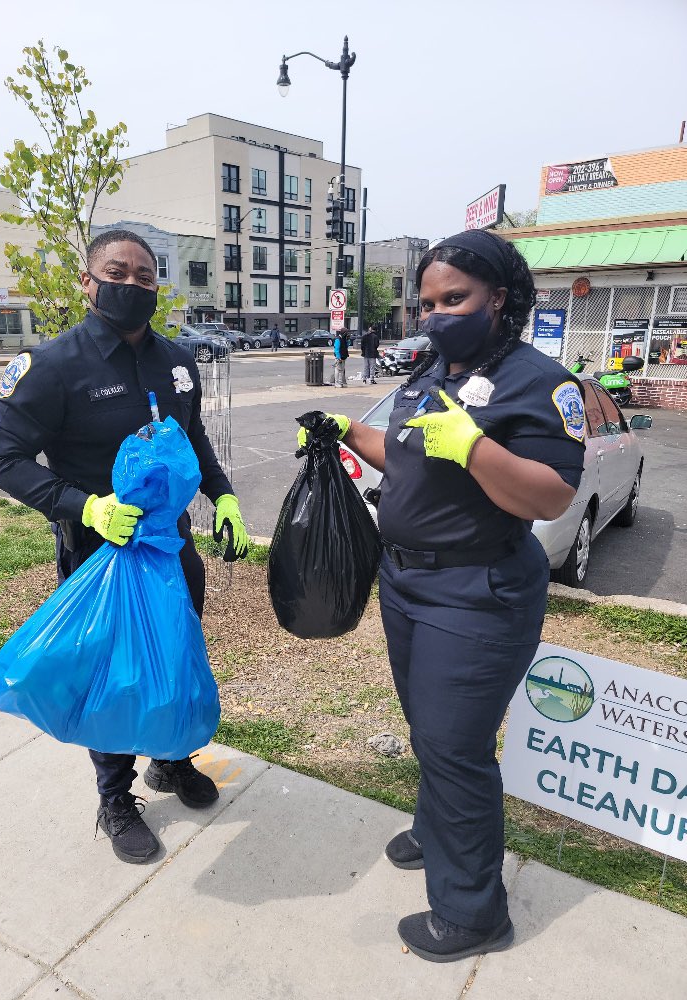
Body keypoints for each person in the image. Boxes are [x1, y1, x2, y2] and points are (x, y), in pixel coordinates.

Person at [297, 229, 585, 962]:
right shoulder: (431, 372)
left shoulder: (538, 380)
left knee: (456, 747)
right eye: (425, 302)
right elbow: (407, 457)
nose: (434, 315)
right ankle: (436, 831)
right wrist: (346, 429)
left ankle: (472, 913)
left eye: (453, 298)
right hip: (407, 581)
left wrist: (477, 448)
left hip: (476, 592)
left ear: (500, 298)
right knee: (429, 725)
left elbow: (552, 497)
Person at [0, 229, 250, 865]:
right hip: (98, 557)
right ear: (88, 280)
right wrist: (87, 507)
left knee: (174, 658)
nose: (132, 285)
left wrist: (224, 495)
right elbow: (3, 460)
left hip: (170, 550)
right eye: (117, 272)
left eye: (145, 276)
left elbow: (192, 440)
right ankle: (115, 797)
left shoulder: (178, 361)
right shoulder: (50, 367)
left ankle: (170, 759)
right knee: (111, 678)